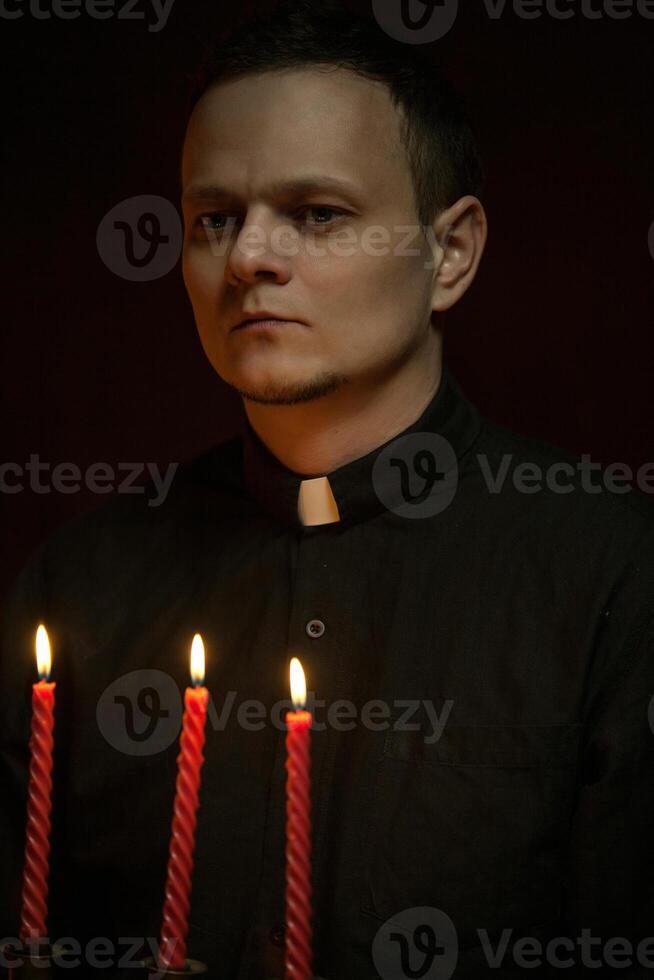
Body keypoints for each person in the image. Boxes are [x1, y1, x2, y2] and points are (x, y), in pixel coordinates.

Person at [1, 2, 653, 977]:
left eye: (317, 213)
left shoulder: (612, 576)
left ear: (450, 253)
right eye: (215, 217)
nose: (251, 257)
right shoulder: (81, 586)